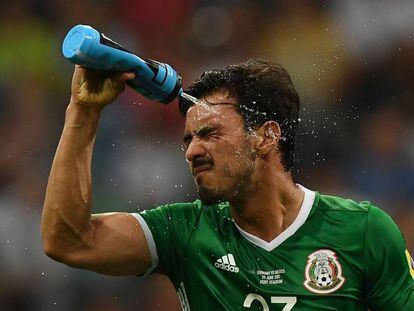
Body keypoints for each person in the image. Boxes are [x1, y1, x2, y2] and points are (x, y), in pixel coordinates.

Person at [42, 60, 414, 310]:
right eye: (188, 140)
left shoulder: (365, 231)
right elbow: (68, 241)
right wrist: (83, 112)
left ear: (266, 137)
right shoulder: (185, 232)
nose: (192, 152)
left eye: (210, 134)